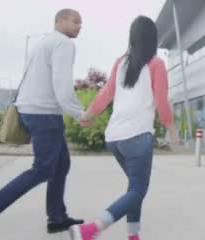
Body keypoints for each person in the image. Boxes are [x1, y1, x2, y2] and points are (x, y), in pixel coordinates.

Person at [0, 9, 88, 240]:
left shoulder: (41, 43)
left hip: (31, 110)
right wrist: (81, 114)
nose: (80, 26)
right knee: (42, 170)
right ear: (60, 21)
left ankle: (56, 217)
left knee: (61, 165)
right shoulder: (63, 44)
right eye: (76, 21)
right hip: (45, 114)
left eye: (81, 23)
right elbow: (62, 86)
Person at [70, 15, 177, 240]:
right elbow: (161, 101)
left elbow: (106, 93)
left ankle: (133, 236)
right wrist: (172, 130)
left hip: (115, 138)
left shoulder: (121, 62)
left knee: (133, 190)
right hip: (137, 137)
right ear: (152, 38)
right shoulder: (156, 64)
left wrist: (88, 114)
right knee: (138, 191)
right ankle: (92, 229)